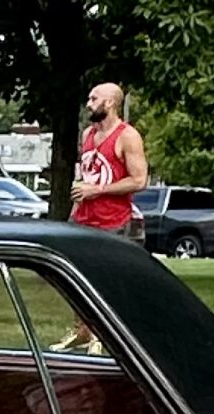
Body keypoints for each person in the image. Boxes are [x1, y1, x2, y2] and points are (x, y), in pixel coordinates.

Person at [63, 80, 147, 350]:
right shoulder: (87, 134)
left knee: (105, 281)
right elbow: (85, 177)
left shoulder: (127, 136)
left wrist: (97, 190)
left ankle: (104, 336)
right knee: (74, 278)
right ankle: (82, 331)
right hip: (82, 219)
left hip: (112, 222)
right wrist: (75, 210)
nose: (88, 104)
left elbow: (139, 180)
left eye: (93, 99)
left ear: (109, 103)